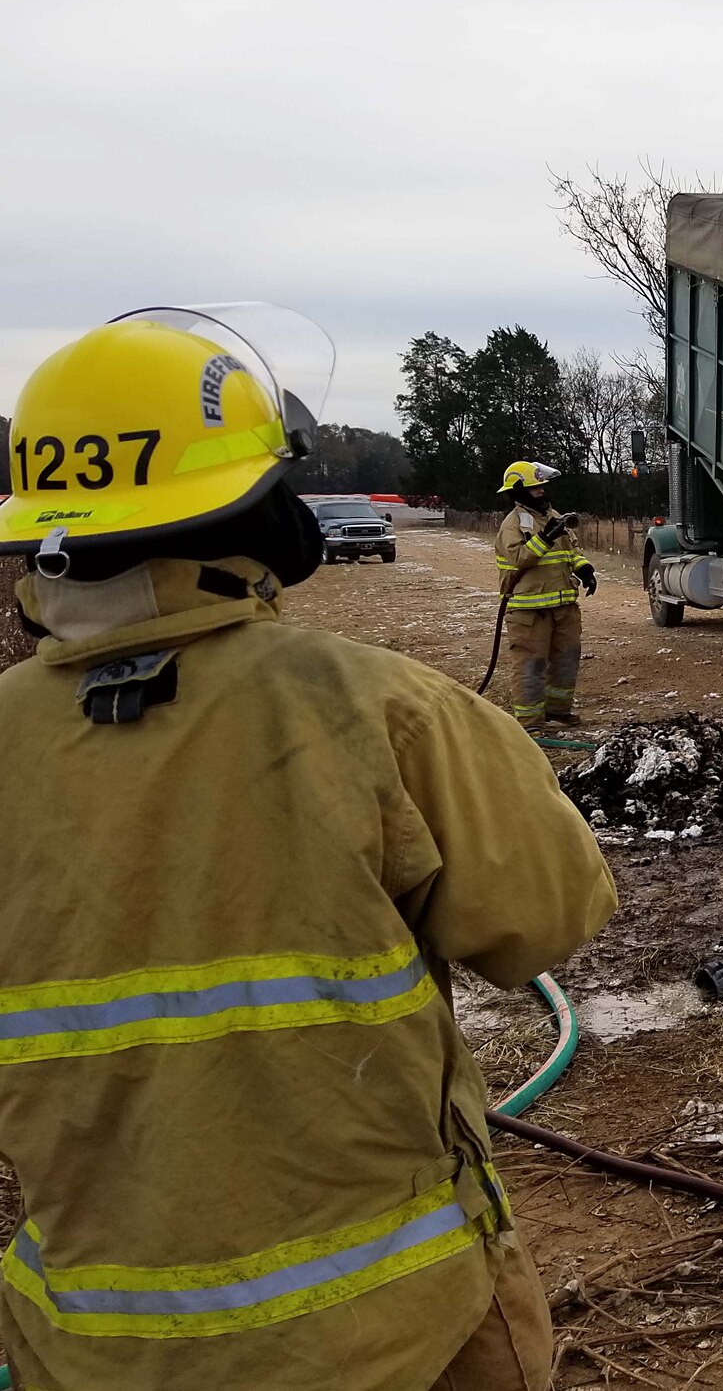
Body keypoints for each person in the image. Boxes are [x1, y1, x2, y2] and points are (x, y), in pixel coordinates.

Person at [0, 309, 617, 1391]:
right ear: (262, 509)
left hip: (91, 1343)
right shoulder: (386, 713)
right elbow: (546, 921)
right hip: (397, 1328)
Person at [493, 462, 595, 729]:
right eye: (534, 486)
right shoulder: (513, 524)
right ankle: (530, 723)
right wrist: (546, 537)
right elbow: (518, 557)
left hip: (563, 606)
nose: (540, 491)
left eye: (541, 486)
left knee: (566, 660)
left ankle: (558, 712)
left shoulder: (552, 515)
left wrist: (584, 570)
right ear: (519, 490)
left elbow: (571, 550)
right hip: (529, 612)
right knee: (531, 666)